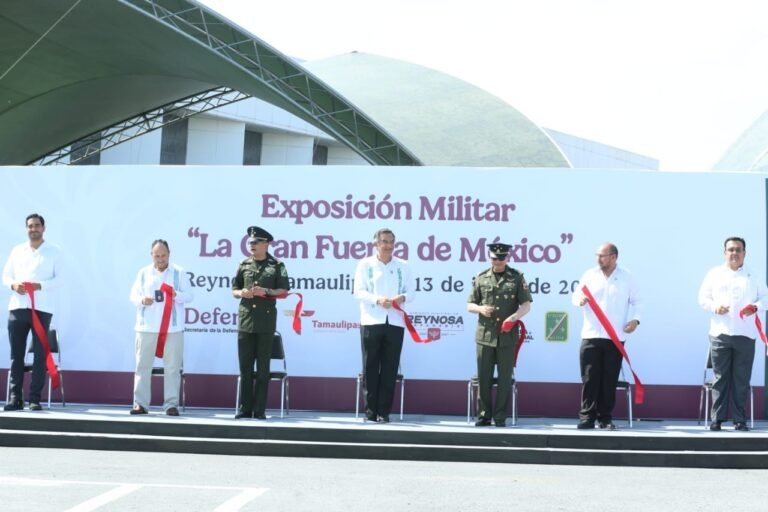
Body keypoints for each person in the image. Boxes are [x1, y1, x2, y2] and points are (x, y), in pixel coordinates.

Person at [698, 237, 767, 432]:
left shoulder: (753, 274)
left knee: (741, 378)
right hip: (720, 333)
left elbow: (766, 297)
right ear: (724, 253)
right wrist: (714, 306)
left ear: (745, 253)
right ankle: (717, 419)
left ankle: (739, 419)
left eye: (738, 250)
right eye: (730, 250)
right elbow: (703, 298)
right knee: (720, 378)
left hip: (746, 334)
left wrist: (756, 306)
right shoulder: (714, 274)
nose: (734, 253)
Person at [572, 242, 640, 430]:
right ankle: (587, 417)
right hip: (591, 334)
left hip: (615, 336)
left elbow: (638, 302)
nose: (598, 259)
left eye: (602, 255)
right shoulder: (589, 275)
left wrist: (635, 320)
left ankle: (605, 418)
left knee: (609, 379)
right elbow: (575, 296)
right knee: (589, 378)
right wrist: (580, 300)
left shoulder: (627, 277)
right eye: (597, 255)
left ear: (614, 257)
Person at [467, 243, 532, 427]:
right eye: (494, 258)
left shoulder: (517, 277)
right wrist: (480, 308)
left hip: (507, 336)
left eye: (501, 258)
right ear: (489, 257)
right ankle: (484, 415)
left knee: (504, 379)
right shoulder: (481, 277)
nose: (497, 261)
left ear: (507, 258)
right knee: (484, 377)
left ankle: (500, 417)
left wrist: (514, 317)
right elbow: (469, 305)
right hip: (485, 336)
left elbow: (526, 305)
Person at [2, 213, 63, 411]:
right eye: (30, 226)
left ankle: (35, 398)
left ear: (43, 228)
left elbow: (59, 280)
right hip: (17, 308)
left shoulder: (54, 252)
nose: (33, 229)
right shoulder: (17, 250)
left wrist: (39, 286)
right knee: (16, 355)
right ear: (26, 228)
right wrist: (13, 285)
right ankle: (14, 398)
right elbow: (5, 276)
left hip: (41, 309)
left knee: (39, 355)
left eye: (37, 226)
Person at [353, 228, 413, 423]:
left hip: (395, 321)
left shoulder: (403, 265)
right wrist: (378, 300)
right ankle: (370, 412)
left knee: (390, 368)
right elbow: (359, 292)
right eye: (384, 242)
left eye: (391, 242)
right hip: (372, 320)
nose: (388, 246)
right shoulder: (365, 264)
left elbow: (411, 292)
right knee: (370, 367)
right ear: (376, 244)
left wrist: (401, 297)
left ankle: (384, 412)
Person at [128, 239, 193, 416]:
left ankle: (171, 405)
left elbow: (189, 296)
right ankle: (140, 404)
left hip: (172, 328)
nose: (160, 259)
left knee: (172, 367)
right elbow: (133, 296)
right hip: (146, 327)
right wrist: (143, 300)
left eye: (163, 255)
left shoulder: (179, 272)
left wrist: (175, 294)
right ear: (151, 255)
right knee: (142, 366)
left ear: (169, 254)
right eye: (157, 255)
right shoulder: (143, 273)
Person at [232, 226, 289, 420]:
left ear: (266, 244)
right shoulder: (243, 264)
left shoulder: (277, 265)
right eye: (250, 242)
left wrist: (266, 291)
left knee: (263, 368)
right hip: (246, 319)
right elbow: (234, 289)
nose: (252, 245)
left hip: (265, 321)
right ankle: (244, 408)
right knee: (245, 367)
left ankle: (259, 409)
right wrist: (243, 293)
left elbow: (284, 290)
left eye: (256, 242)